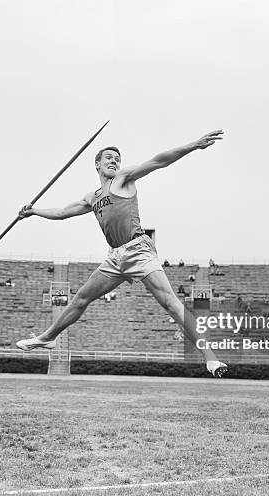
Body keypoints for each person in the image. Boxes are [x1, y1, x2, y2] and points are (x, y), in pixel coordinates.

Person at [15, 130, 228, 378]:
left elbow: (159, 161)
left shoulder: (124, 179)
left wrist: (194, 145)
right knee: (81, 298)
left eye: (117, 157)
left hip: (139, 250)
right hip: (115, 257)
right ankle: (47, 338)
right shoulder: (91, 197)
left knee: (171, 303)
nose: (114, 160)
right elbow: (63, 212)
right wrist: (34, 212)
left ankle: (211, 358)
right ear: (97, 164)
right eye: (108, 157)